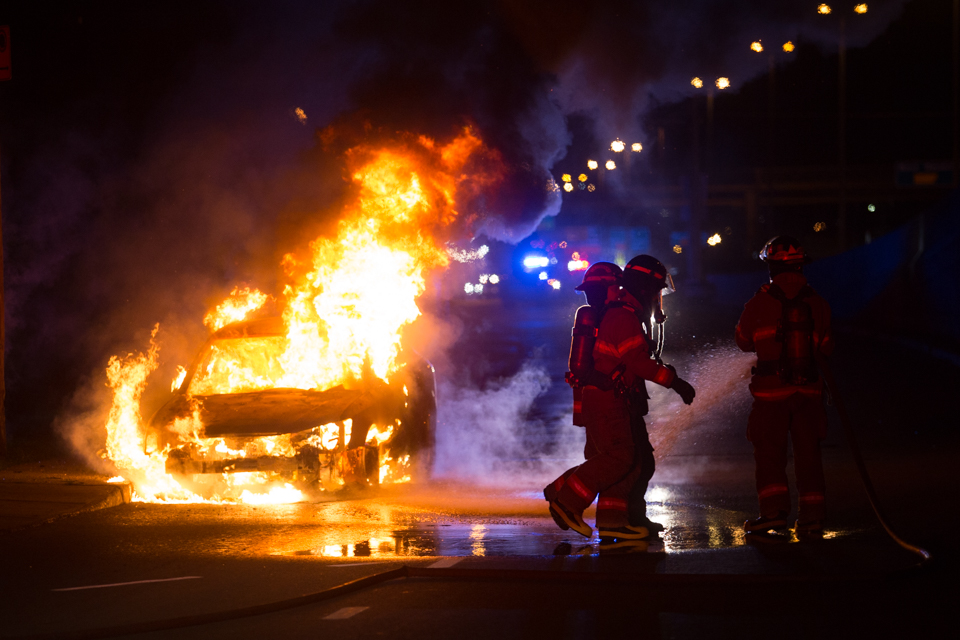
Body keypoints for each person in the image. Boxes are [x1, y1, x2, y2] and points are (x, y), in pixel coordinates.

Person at [545, 255, 696, 543]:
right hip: (608, 401)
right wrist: (674, 382)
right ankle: (566, 500)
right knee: (619, 458)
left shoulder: (624, 315)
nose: (658, 297)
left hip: (614, 399)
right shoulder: (623, 317)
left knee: (633, 461)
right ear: (643, 288)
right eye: (656, 290)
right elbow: (638, 363)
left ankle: (616, 521)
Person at [735, 236, 833, 536]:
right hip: (809, 392)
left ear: (772, 268)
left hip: (770, 394)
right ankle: (812, 518)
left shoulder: (758, 302)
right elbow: (826, 349)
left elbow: (742, 341)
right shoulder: (818, 302)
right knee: (809, 456)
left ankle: (774, 514)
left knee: (769, 453)